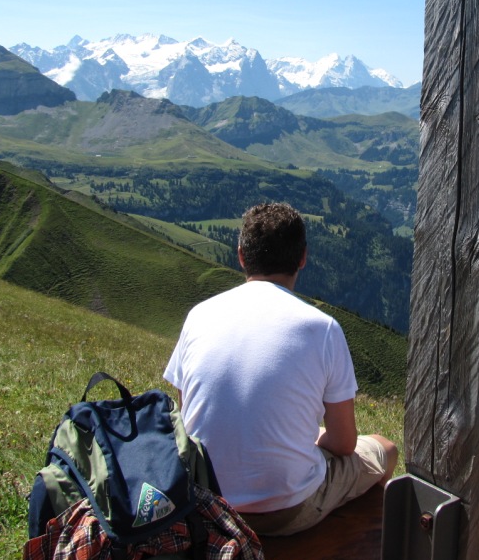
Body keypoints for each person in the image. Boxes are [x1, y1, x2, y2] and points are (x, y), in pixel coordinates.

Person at [163, 202, 398, 536]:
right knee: (384, 449)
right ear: (302, 257)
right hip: (286, 511)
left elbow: (189, 418)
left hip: (204, 506)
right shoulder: (323, 328)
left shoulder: (199, 314)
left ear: (241, 255)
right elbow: (345, 444)